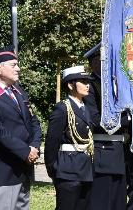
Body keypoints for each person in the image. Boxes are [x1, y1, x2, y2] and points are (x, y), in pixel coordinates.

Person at [0, 46, 42, 210]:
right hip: (1, 171)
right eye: (13, 65)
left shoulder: (18, 91)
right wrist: (25, 151)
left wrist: (34, 146)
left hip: (23, 168)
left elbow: (33, 122)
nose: (18, 69)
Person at [83, 43, 130, 210]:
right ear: (95, 62)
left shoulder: (117, 84)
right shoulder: (90, 86)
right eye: (107, 59)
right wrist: (127, 120)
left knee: (118, 203)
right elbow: (94, 119)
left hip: (120, 151)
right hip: (103, 150)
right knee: (101, 202)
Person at [45, 66, 94, 210]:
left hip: (85, 169)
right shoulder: (63, 108)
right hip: (68, 170)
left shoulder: (86, 108)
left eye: (88, 82)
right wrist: (53, 168)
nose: (87, 85)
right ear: (70, 84)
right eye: (83, 81)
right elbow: (52, 141)